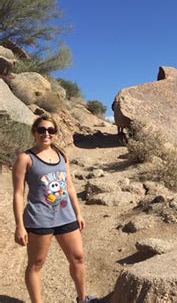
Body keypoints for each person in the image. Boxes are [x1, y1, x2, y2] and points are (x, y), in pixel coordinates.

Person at [12, 114, 96, 303]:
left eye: (51, 130)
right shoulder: (25, 158)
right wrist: (19, 225)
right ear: (34, 132)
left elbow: (69, 186)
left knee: (78, 258)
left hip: (66, 216)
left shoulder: (61, 155)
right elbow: (18, 193)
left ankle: (83, 299)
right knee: (36, 264)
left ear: (56, 134)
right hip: (39, 218)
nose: (46, 134)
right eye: (42, 130)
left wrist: (78, 213)